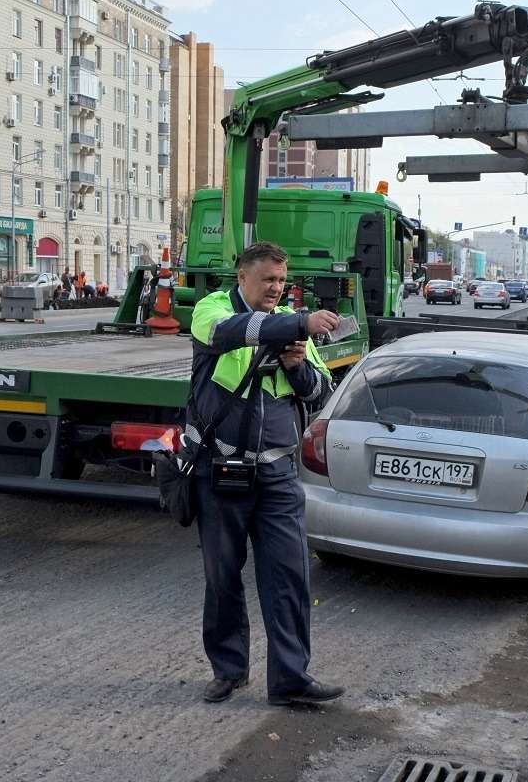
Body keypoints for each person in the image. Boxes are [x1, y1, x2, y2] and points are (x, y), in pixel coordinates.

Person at [188, 241, 344, 707]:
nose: (277, 288)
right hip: (220, 470)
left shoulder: (294, 326)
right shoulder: (212, 309)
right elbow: (225, 333)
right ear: (242, 278)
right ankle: (229, 671)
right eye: (267, 280)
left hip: (277, 476)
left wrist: (298, 367)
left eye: (281, 281)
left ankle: (291, 680)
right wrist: (298, 323)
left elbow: (321, 392)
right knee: (223, 578)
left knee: (290, 578)